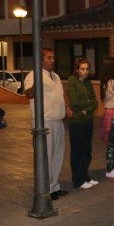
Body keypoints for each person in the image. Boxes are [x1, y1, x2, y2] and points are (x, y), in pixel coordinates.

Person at [25, 48, 72, 200]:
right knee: (46, 156)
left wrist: (67, 106)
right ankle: (44, 189)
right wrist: (36, 84)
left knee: (57, 154)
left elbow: (62, 94)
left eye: (53, 57)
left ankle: (53, 186)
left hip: (58, 122)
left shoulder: (55, 76)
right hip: (44, 122)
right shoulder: (33, 75)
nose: (53, 60)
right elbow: (28, 94)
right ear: (41, 60)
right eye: (49, 58)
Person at [66, 58, 99, 189]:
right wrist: (88, 103)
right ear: (77, 70)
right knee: (77, 151)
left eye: (87, 69)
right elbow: (74, 103)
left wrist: (87, 108)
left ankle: (85, 176)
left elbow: (95, 103)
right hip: (77, 122)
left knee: (87, 151)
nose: (85, 72)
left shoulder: (88, 83)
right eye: (82, 69)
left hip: (88, 121)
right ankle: (77, 180)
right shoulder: (72, 81)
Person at [99, 57, 114, 179]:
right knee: (112, 143)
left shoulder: (106, 81)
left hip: (109, 113)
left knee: (112, 143)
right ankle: (110, 168)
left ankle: (112, 166)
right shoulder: (112, 82)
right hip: (113, 114)